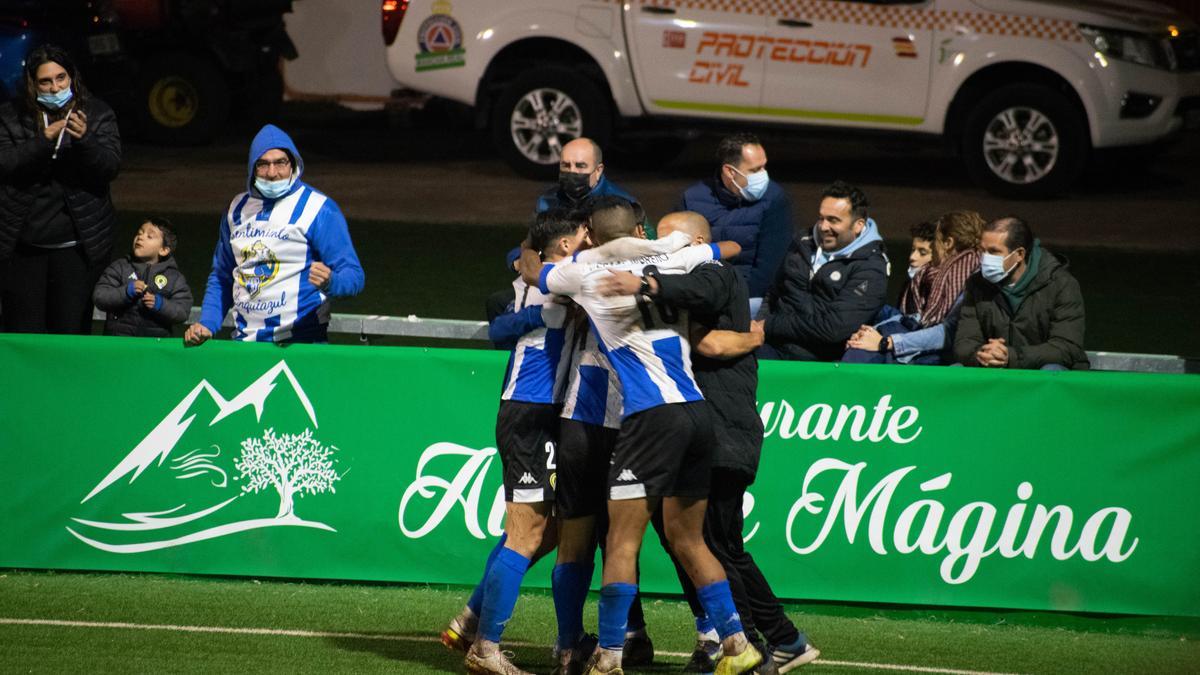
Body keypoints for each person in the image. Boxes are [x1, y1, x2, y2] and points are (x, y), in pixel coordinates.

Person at [528, 197, 763, 675]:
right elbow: (724, 248)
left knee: (620, 541)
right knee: (688, 539)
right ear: (639, 227)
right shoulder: (671, 250)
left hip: (650, 417)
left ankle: (610, 656)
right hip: (698, 413)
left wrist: (524, 253)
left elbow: (538, 272)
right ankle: (737, 644)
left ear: (591, 233)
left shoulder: (585, 269)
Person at [598, 212, 819, 674]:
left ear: (698, 240)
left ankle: (760, 642)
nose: (661, 245)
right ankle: (770, 640)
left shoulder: (713, 274)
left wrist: (649, 286)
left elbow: (711, 343)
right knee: (708, 541)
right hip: (707, 430)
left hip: (720, 431)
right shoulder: (696, 282)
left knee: (714, 544)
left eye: (670, 237)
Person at [454, 209, 589, 675]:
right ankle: (486, 647)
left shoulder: (560, 275)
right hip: (528, 413)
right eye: (583, 235)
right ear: (568, 246)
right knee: (528, 532)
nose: (589, 240)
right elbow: (503, 321)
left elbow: (529, 257)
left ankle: (474, 619)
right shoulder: (555, 282)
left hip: (554, 416)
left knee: (554, 532)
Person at [184, 124, 364, 345]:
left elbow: (354, 275)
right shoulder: (236, 209)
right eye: (263, 164)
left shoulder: (319, 208)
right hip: (244, 344)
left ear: (293, 163)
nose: (272, 173)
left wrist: (331, 281)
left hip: (302, 342)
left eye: (280, 162)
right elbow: (222, 276)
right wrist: (208, 323)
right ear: (252, 168)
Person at [0, 43, 121, 334]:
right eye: (45, 81)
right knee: (24, 333)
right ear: (32, 83)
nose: (55, 88)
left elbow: (109, 167)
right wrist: (43, 141)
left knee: (71, 331)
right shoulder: (10, 115)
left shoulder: (97, 113)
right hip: (22, 250)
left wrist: (85, 141)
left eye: (61, 78)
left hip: (77, 250)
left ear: (71, 78)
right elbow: (5, 165)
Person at [755, 181, 887, 361]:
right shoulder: (803, 242)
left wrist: (769, 325)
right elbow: (774, 292)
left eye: (833, 220)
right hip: (770, 344)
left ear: (858, 225)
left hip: (819, 361)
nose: (823, 227)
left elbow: (833, 328)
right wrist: (757, 330)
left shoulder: (871, 267)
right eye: (821, 217)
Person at [844, 211, 983, 365]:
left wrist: (886, 342)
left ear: (948, 243)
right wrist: (870, 333)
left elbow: (945, 332)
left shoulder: (970, 278)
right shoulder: (932, 277)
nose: (913, 257)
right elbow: (915, 318)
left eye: (934, 242)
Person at [677, 133, 791, 317]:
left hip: (750, 295)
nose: (763, 175)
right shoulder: (692, 198)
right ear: (730, 171)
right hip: (703, 290)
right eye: (755, 170)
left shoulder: (774, 198)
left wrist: (735, 299)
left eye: (764, 167)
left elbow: (770, 265)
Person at [954, 217, 1088, 370]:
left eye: (993, 251)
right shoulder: (976, 284)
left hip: (1042, 370)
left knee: (1051, 371)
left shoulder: (1061, 284)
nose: (985, 258)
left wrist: (1010, 356)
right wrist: (983, 354)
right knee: (955, 371)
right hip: (991, 365)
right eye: (982, 251)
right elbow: (964, 342)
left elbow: (1066, 347)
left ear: (1019, 254)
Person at [92, 217, 193, 337]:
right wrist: (127, 291)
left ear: (164, 250)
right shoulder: (120, 267)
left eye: (149, 236)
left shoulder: (174, 278)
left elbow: (182, 311)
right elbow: (100, 297)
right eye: (139, 233)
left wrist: (160, 304)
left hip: (155, 347)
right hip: (118, 343)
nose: (140, 237)